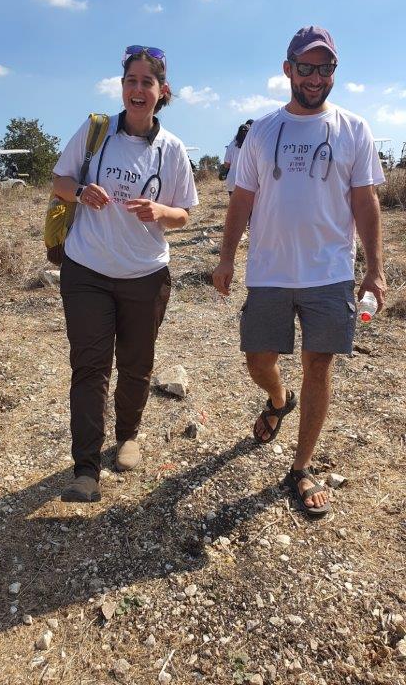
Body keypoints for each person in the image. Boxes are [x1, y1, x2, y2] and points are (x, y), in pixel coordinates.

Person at [213, 26, 386, 517]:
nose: (315, 77)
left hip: (329, 273)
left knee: (319, 366)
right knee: (257, 360)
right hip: (269, 271)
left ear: (334, 71)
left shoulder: (353, 128)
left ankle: (301, 466)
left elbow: (366, 202)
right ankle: (277, 399)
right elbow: (241, 199)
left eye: (325, 67)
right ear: (288, 69)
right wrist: (226, 257)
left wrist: (375, 269)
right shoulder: (263, 130)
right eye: (306, 67)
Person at [53, 45, 199, 503]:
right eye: (130, 81)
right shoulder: (95, 131)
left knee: (136, 364)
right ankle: (85, 469)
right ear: (122, 87)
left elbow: (185, 214)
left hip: (145, 275)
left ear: (162, 91)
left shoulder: (171, 149)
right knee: (90, 366)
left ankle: (128, 436)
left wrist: (160, 211)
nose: (138, 90)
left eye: (146, 82)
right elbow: (59, 181)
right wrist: (80, 191)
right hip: (87, 269)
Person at [222, 123, 251, 196]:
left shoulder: (231, 145)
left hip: (232, 181)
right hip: (247, 181)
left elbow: (226, 164)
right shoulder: (250, 145)